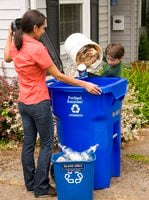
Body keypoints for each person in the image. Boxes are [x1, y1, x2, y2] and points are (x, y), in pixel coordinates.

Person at [4, 10, 101, 198]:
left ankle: (31, 184)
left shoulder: (17, 43)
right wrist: (85, 83)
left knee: (29, 144)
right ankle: (42, 187)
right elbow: (58, 75)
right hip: (39, 103)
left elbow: (7, 57)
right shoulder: (37, 48)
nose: (43, 32)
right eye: (43, 28)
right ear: (34, 28)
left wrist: (9, 34)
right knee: (47, 143)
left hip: (24, 103)